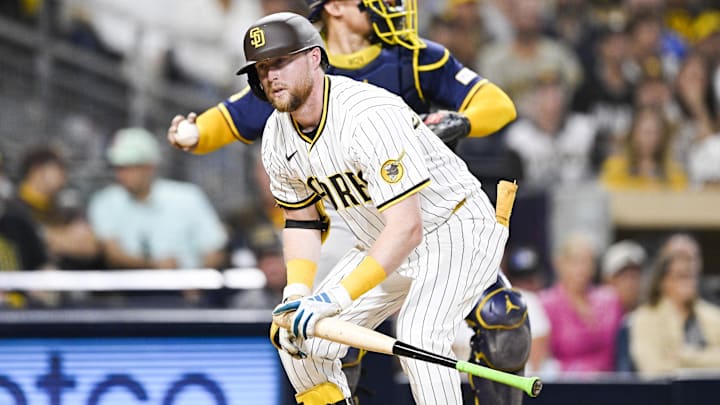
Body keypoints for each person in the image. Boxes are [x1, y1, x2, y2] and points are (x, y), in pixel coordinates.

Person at [167, 2, 525, 404]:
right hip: (376, 235)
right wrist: (297, 293)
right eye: (262, 68)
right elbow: (301, 221)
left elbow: (408, 227)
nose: (271, 75)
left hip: (452, 227)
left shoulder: (369, 112)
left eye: (281, 62)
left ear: (314, 58)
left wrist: (334, 298)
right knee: (299, 339)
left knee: (420, 336)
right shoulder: (277, 133)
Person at [88, 127, 228, 305]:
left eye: (129, 167)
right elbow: (113, 255)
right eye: (118, 167)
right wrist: (156, 267)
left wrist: (196, 279)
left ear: (149, 167)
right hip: (129, 296)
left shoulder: (187, 197)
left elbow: (214, 249)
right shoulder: (105, 202)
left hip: (187, 295)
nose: (121, 174)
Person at [540, 232, 624, 374]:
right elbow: (542, 360)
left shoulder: (610, 300)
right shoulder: (545, 303)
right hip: (564, 385)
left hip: (608, 382)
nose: (581, 269)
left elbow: (615, 351)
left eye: (587, 261)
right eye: (575, 261)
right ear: (559, 263)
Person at [629, 250, 720, 375]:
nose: (689, 282)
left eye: (691, 276)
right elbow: (652, 368)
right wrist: (706, 360)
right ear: (663, 282)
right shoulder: (645, 317)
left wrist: (685, 356)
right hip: (666, 393)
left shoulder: (713, 315)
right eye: (681, 276)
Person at [15, 145, 103, 270]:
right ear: (38, 170)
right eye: (60, 167)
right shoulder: (13, 209)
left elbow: (90, 247)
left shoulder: (65, 209)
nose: (65, 174)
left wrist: (47, 237)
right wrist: (63, 236)